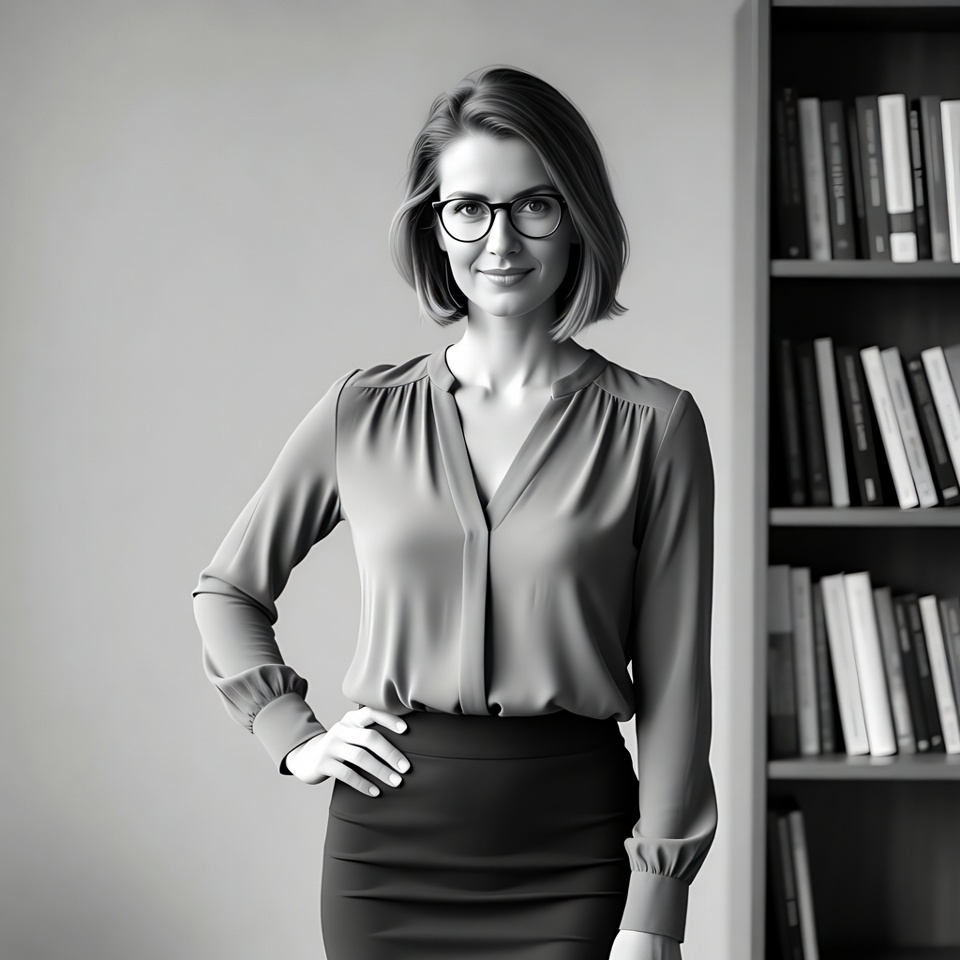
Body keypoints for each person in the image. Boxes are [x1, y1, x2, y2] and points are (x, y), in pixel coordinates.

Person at [192, 65, 717, 960]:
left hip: (578, 850)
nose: (500, 240)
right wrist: (295, 738)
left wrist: (654, 908)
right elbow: (227, 590)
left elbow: (675, 690)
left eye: (534, 206)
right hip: (386, 856)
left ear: (577, 216)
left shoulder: (656, 426)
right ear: (435, 227)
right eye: (468, 208)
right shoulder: (362, 411)